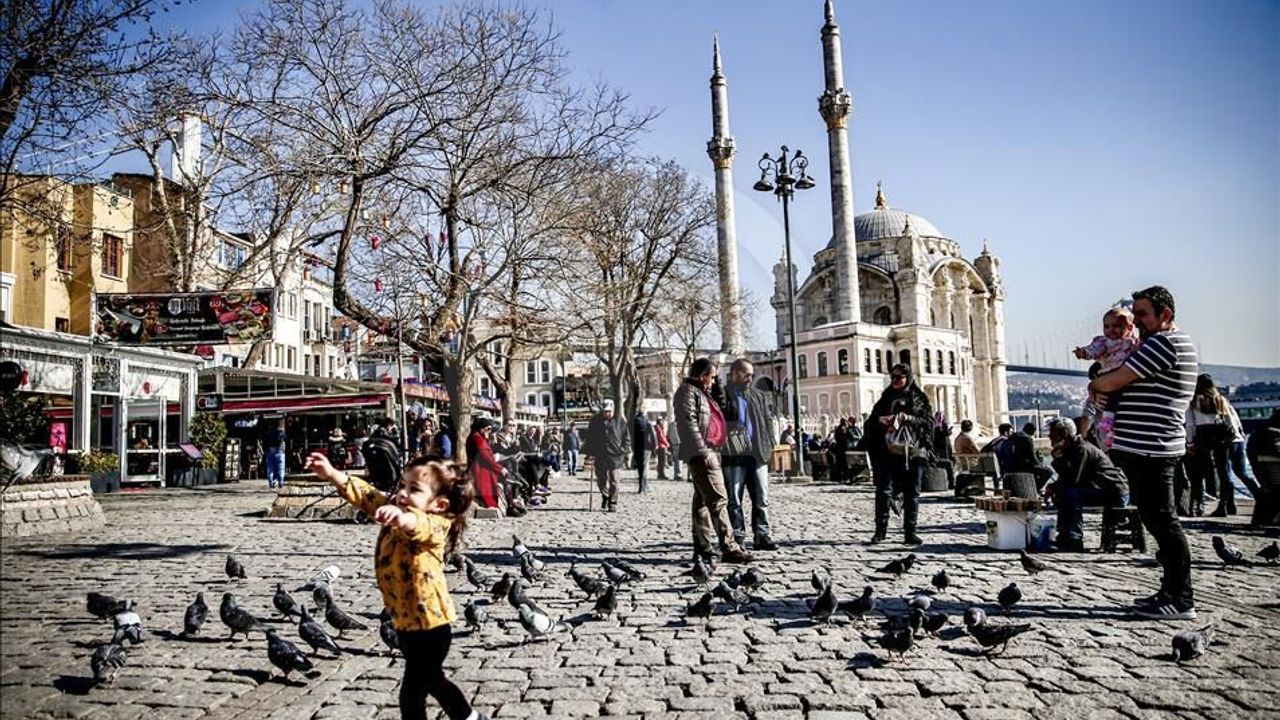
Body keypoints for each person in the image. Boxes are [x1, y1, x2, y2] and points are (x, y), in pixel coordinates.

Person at [304, 452, 487, 720]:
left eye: (414, 489)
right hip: (405, 625)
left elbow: (419, 525)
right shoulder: (396, 508)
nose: (402, 493)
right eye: (403, 485)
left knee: (413, 692)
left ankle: (468, 717)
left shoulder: (437, 523)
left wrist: (402, 518)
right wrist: (333, 474)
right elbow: (367, 496)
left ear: (439, 504)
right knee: (433, 681)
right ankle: (469, 717)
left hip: (431, 627)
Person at [1091, 285, 1198, 620]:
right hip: (1147, 446)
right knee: (1157, 519)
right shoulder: (1159, 343)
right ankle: (1170, 591)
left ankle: (1180, 599)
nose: (1135, 321)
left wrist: (1096, 385)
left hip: (1153, 447)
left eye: (1141, 314)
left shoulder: (1164, 343)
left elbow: (1112, 381)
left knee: (1164, 521)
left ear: (1165, 314)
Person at [674, 358, 753, 565]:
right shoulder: (687, 392)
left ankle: (703, 548)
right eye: (712, 377)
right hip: (703, 452)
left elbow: (723, 405)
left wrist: (717, 383)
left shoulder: (703, 392)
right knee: (719, 500)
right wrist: (702, 451)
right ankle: (729, 547)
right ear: (702, 376)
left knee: (702, 502)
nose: (714, 381)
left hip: (710, 450)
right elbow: (688, 423)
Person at [862, 363, 934, 545]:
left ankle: (910, 532)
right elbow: (871, 422)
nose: (894, 380)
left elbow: (928, 422)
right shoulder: (886, 398)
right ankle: (880, 531)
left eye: (899, 377)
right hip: (888, 451)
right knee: (883, 491)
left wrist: (907, 418)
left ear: (907, 378)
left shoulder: (918, 398)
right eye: (892, 377)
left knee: (912, 493)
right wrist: (881, 421)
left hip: (914, 452)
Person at [1043, 417, 1129, 552]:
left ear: (1065, 435)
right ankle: (1065, 535)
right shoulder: (1071, 448)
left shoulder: (1081, 449)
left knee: (1071, 493)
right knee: (1064, 493)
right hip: (1099, 488)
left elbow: (1074, 480)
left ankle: (1074, 538)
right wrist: (1052, 487)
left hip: (1114, 491)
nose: (1050, 436)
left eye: (1053, 433)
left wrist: (1057, 460)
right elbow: (1067, 476)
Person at [721, 359, 778, 551]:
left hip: (757, 454)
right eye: (746, 374)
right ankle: (737, 536)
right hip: (734, 455)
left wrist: (770, 444)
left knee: (761, 498)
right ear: (734, 373)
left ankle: (762, 535)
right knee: (734, 499)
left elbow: (768, 421)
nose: (749, 378)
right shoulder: (724, 395)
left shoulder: (758, 395)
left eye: (751, 375)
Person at [1074, 306, 1141, 449]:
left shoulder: (1133, 342)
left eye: (1117, 326)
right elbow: (1094, 350)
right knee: (1110, 404)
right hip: (1108, 376)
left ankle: (1110, 433)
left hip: (1124, 377)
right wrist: (1084, 353)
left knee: (1114, 404)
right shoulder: (1104, 342)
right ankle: (1107, 430)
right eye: (1107, 326)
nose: (1111, 330)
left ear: (1129, 328)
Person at [1185, 374, 1236, 517]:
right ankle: (1224, 505)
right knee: (1223, 472)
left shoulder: (1193, 401)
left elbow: (1190, 424)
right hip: (1220, 435)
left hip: (1202, 435)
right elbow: (1229, 420)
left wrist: (1190, 442)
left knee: (1198, 473)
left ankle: (1196, 506)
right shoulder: (1220, 399)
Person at [586, 400, 629, 512]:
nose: (607, 413)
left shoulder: (620, 421)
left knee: (614, 480)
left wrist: (624, 449)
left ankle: (613, 502)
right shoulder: (595, 421)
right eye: (605, 411)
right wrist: (589, 452)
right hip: (600, 454)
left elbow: (626, 437)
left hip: (616, 455)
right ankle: (605, 496)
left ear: (613, 410)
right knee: (601, 479)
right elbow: (589, 438)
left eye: (609, 411)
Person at [1246, 409, 1280, 527]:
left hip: (1263, 473)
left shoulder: (1261, 430)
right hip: (1272, 474)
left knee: (1268, 490)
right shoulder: (1272, 432)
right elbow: (1276, 450)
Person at [466, 419, 506, 512]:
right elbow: (485, 456)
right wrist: (500, 468)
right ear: (481, 428)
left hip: (484, 466)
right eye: (487, 429)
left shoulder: (480, 436)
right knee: (488, 491)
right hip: (480, 468)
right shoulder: (477, 437)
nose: (489, 431)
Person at [632, 411, 655, 493]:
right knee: (645, 467)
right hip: (646, 447)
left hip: (636, 447)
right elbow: (653, 434)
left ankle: (642, 486)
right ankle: (643, 487)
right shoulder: (647, 421)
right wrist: (654, 445)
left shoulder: (634, 422)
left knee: (640, 467)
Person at [667, 416, 684, 482]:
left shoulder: (671, 425)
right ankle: (678, 475)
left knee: (676, 460)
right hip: (678, 443)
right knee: (679, 460)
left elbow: (668, 434)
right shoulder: (680, 425)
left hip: (674, 443)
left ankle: (676, 474)